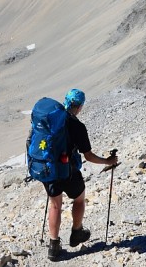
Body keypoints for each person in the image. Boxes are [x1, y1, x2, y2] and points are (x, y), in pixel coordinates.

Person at [45, 88, 118, 261]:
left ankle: (53, 247)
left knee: (55, 205)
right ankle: (76, 232)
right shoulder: (77, 125)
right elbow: (89, 156)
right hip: (68, 170)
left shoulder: (50, 118)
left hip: (48, 168)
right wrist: (108, 162)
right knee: (79, 198)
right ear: (79, 106)